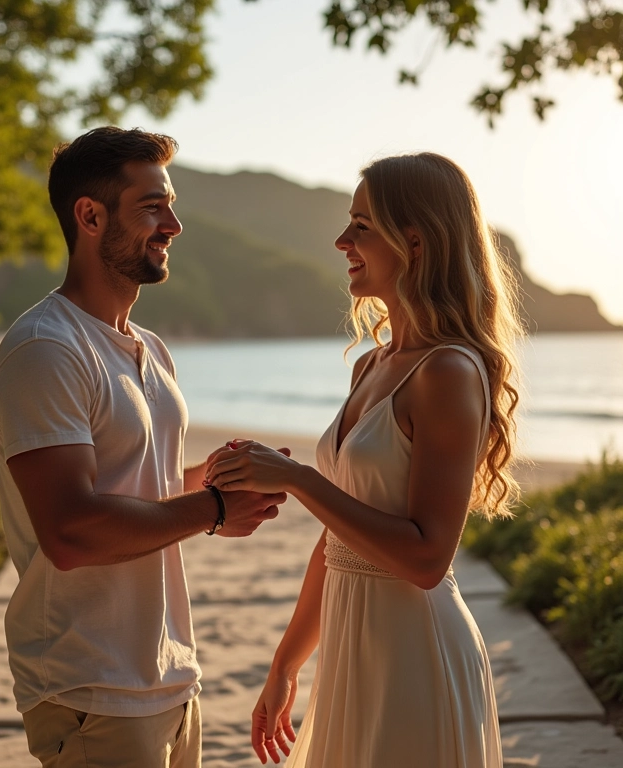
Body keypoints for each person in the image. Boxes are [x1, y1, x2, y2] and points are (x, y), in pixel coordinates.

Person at [205, 152, 524, 767]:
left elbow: (428, 558)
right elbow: (338, 541)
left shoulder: (449, 372)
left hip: (415, 654)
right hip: (352, 651)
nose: (341, 240)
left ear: (415, 241)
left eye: (361, 226)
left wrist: (297, 478)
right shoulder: (370, 366)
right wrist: (285, 664)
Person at [0, 126, 287, 768]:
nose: (173, 225)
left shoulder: (149, 349)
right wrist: (214, 512)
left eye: (170, 205)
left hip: (169, 675)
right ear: (90, 217)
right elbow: (70, 531)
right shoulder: (47, 349)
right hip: (92, 687)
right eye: (152, 206)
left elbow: (134, 484)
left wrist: (219, 475)